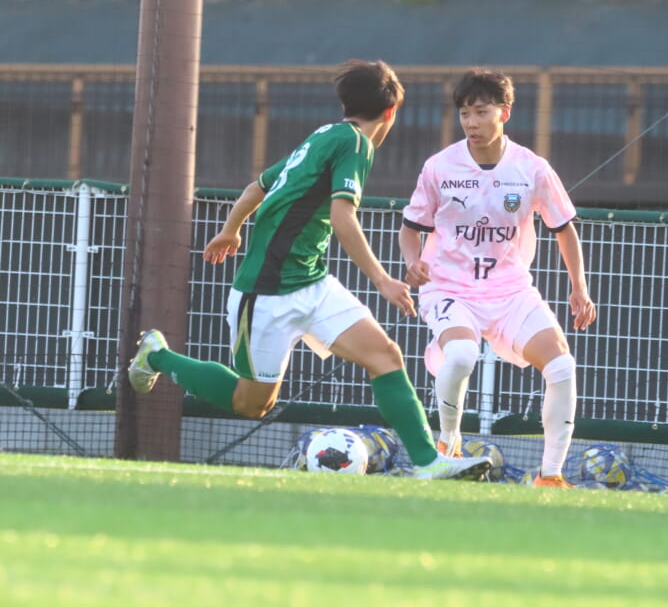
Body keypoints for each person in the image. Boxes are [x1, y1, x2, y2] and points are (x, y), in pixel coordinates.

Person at [127, 59, 491, 481]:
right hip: (265, 293)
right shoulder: (355, 144)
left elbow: (257, 186)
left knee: (385, 356)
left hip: (313, 283)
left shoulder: (323, 135)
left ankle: (428, 463)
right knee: (251, 403)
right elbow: (342, 217)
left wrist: (231, 230)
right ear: (391, 112)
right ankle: (157, 355)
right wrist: (383, 280)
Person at [399, 67, 597, 489]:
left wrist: (579, 288)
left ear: (504, 113)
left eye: (481, 112)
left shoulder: (532, 168)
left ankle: (550, 476)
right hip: (450, 289)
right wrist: (413, 262)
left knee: (562, 365)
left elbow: (564, 229)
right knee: (461, 356)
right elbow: (410, 228)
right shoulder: (439, 167)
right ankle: (448, 445)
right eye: (464, 113)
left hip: (511, 292)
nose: (471, 122)